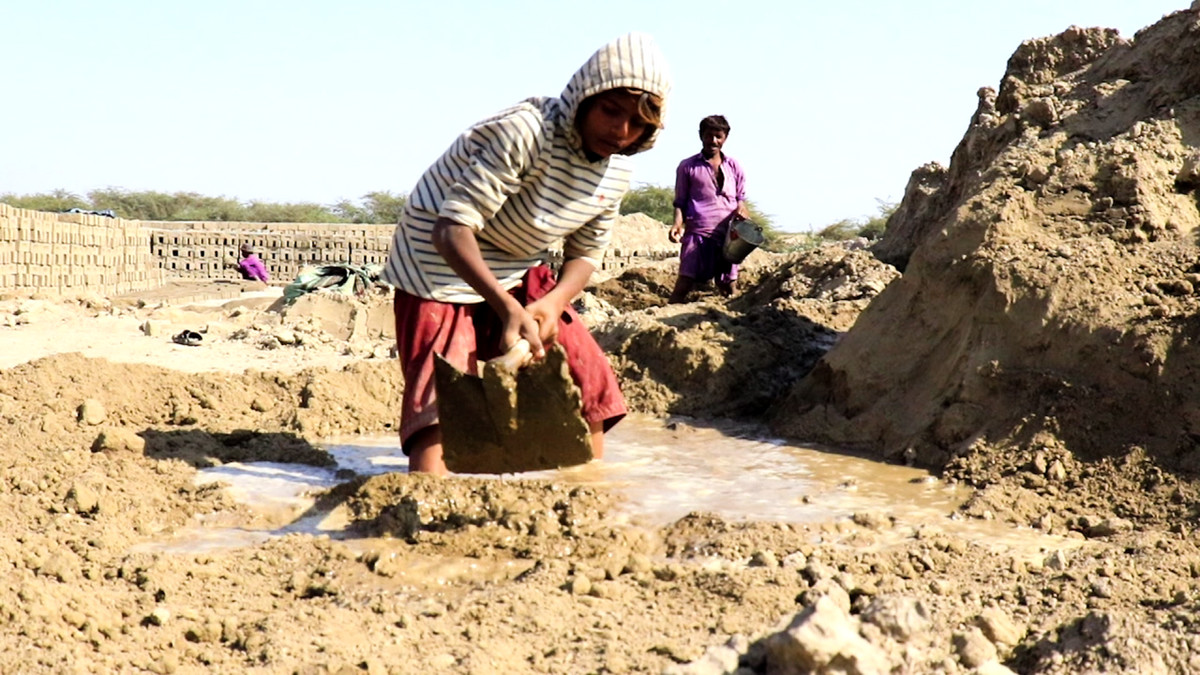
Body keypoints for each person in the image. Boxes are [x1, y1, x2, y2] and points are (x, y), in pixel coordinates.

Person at [380, 32, 672, 475]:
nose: (621, 131)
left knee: (583, 370)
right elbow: (451, 229)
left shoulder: (617, 171)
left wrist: (552, 304)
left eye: (638, 123)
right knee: (443, 393)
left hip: (517, 260)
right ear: (584, 99)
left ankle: (586, 490)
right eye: (611, 111)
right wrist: (505, 307)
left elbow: (586, 254)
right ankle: (426, 498)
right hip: (438, 260)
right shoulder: (526, 132)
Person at [668, 114, 751, 303]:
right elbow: (680, 202)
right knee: (685, 282)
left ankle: (733, 322)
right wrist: (677, 225)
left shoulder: (734, 166)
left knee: (728, 284)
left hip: (728, 236)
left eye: (718, 136)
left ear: (725, 138)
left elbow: (740, 200)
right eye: (708, 135)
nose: (713, 141)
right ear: (701, 135)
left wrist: (742, 212)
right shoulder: (687, 167)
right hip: (698, 232)